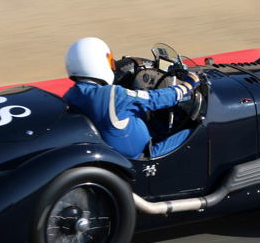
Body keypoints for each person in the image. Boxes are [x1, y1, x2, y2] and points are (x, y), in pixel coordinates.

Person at [63, 37, 201, 159]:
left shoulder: (70, 96)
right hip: (143, 156)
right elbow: (154, 99)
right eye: (109, 61)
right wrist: (186, 86)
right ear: (97, 62)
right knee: (195, 132)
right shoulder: (111, 95)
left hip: (110, 151)